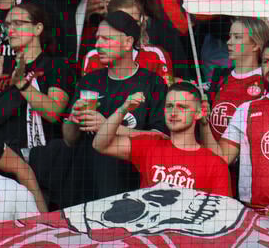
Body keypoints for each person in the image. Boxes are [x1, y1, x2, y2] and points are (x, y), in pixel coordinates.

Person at [57, 11, 168, 206]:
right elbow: (69, 139)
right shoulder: (89, 81)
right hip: (86, 187)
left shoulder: (153, 83)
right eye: (97, 38)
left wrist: (109, 126)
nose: (98, 45)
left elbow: (161, 139)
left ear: (127, 43)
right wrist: (73, 119)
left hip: (133, 190)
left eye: (106, 39)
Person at [202, 38, 269, 226]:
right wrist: (203, 123)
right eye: (267, 61)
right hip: (255, 220)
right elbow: (221, 159)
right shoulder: (245, 109)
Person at [0, 1, 76, 158]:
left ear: (38, 28)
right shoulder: (1, 65)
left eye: (18, 24)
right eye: (7, 25)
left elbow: (54, 112)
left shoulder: (56, 65)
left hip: (36, 158)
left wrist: (22, 83)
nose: (10, 31)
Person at [93, 81, 231, 195]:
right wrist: (123, 109)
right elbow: (100, 145)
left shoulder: (215, 164)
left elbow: (222, 216)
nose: (173, 113)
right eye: (169, 106)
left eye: (182, 107)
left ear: (199, 113)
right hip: (148, 226)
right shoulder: (149, 145)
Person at [82, 0, 174, 84]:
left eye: (135, 22)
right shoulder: (93, 58)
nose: (132, 28)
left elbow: (166, 96)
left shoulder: (155, 56)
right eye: (123, 22)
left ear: (142, 21)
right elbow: (88, 96)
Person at [207, 17, 269, 140]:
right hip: (215, 155)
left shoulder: (268, 81)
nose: (229, 42)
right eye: (230, 36)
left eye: (237, 37)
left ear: (255, 45)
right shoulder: (220, 76)